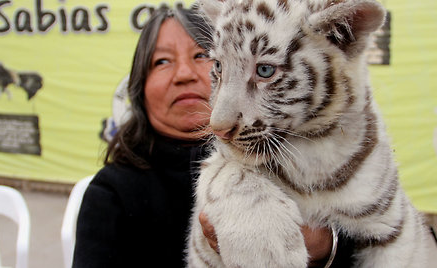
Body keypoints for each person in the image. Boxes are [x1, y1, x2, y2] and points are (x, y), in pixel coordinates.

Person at [72, 4, 355, 268]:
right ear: (139, 89)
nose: (183, 74)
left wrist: (324, 246)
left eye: (202, 56)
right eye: (161, 62)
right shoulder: (110, 192)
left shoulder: (294, 152)